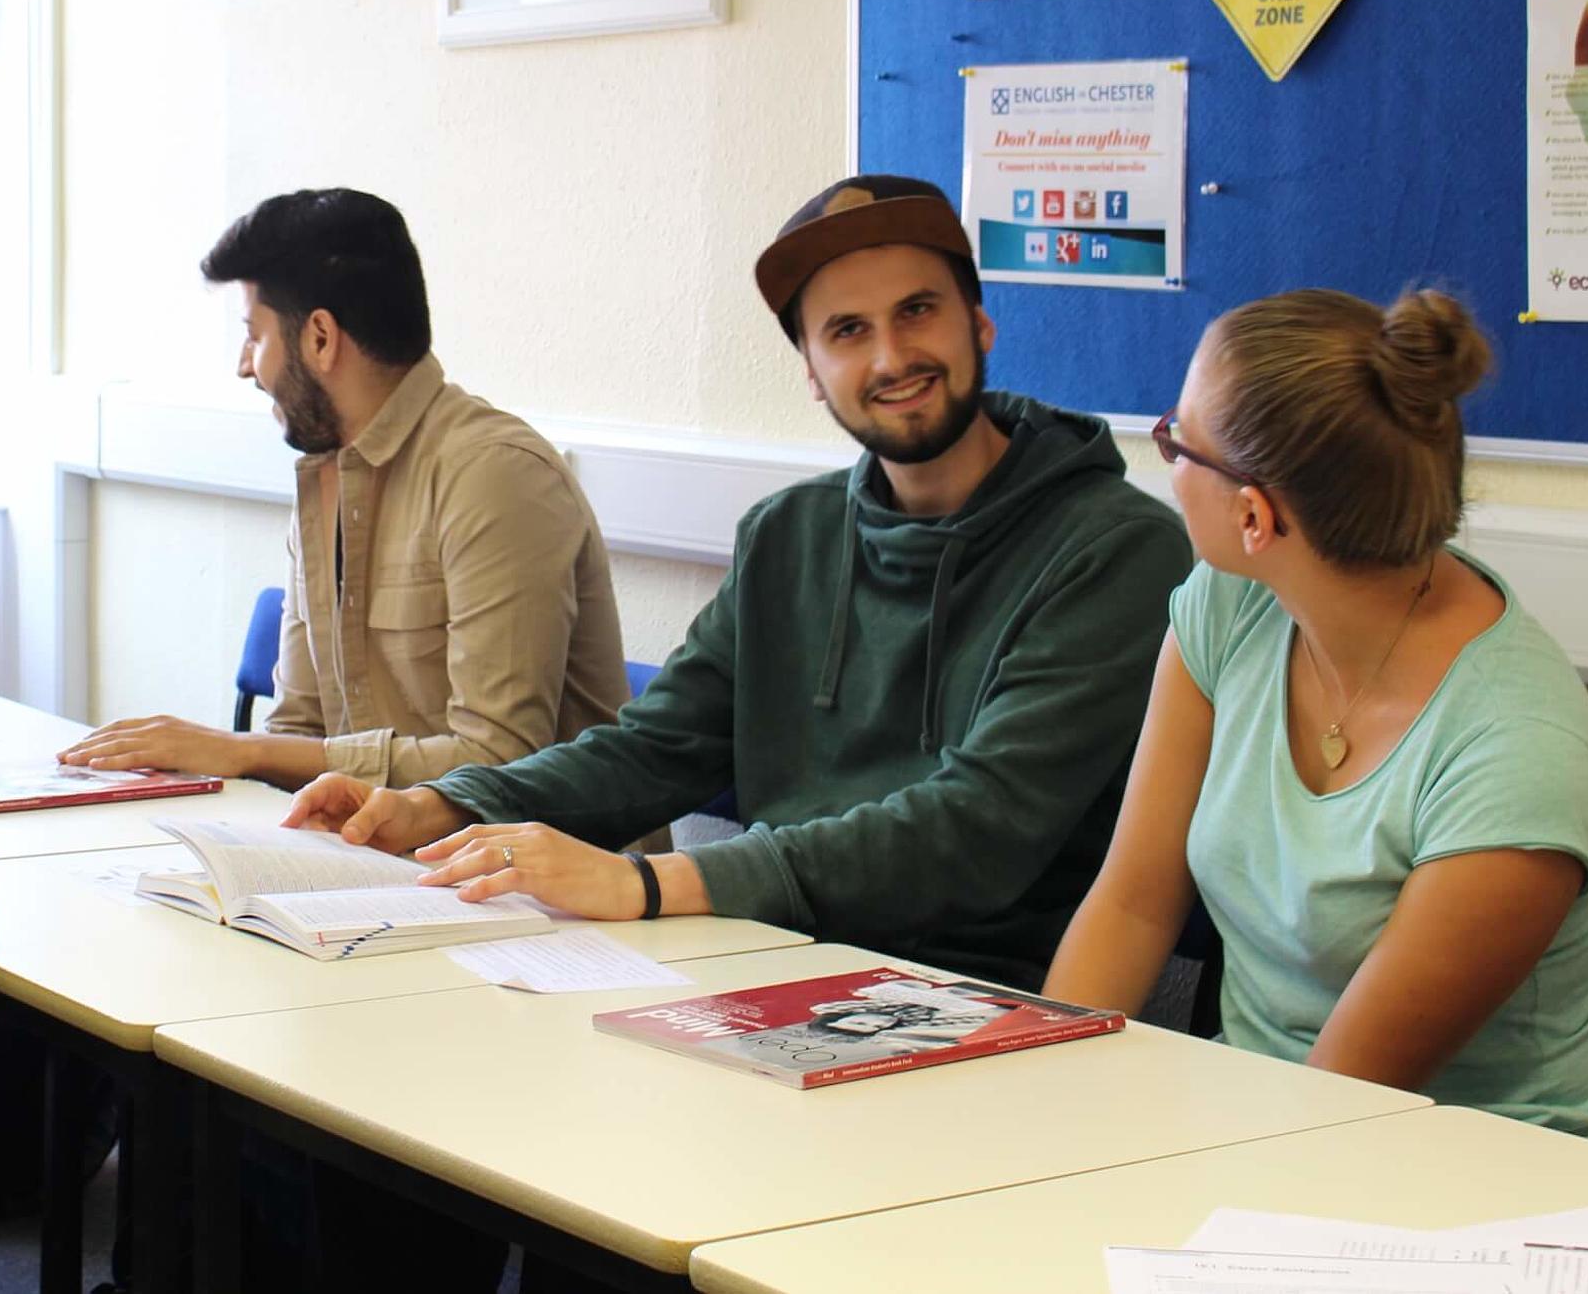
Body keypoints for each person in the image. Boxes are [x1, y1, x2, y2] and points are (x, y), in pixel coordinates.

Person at [279, 175, 1192, 1294]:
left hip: (972, 1006)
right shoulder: (789, 535)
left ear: (979, 322)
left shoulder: (1115, 547)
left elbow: (980, 825)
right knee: (400, 1111)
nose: (890, 355)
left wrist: (658, 886)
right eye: (846, 331)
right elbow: (655, 746)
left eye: (917, 312)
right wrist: (452, 803)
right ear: (811, 371)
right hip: (764, 977)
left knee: (610, 1199)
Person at [1043, 288, 1588, 1133]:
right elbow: (1132, 902)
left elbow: (1344, 1099)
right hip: (1252, 1128)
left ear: (1254, 515)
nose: (1162, 456)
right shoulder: (1230, 604)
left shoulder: (1519, 757)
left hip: (1459, 1187)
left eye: (1177, 439)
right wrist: (1039, 1096)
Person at [62, 188, 628, 791]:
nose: (244, 365)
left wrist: (242, 752)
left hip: (523, 872)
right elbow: (300, 733)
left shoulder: (495, 475)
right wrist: (229, 763)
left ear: (321, 338)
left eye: (254, 335)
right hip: (383, 863)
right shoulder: (327, 475)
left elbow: (497, 763)